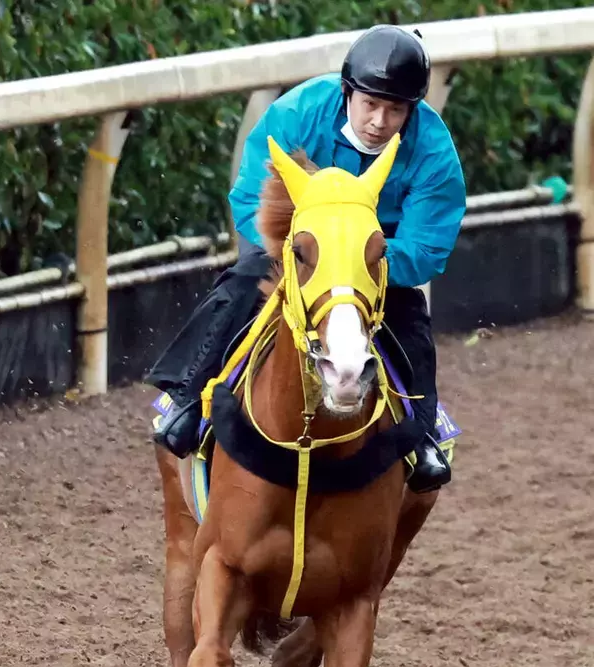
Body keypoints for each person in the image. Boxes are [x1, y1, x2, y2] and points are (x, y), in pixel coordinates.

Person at [148, 24, 466, 493]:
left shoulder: (434, 151)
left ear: (411, 109)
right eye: (370, 104)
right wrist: (305, 258)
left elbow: (425, 248)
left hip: (374, 271)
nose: (379, 121)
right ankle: (188, 400)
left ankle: (420, 440)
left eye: (395, 109)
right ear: (347, 92)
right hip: (299, 259)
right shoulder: (298, 114)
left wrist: (355, 264)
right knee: (241, 283)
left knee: (411, 323)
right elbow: (252, 200)